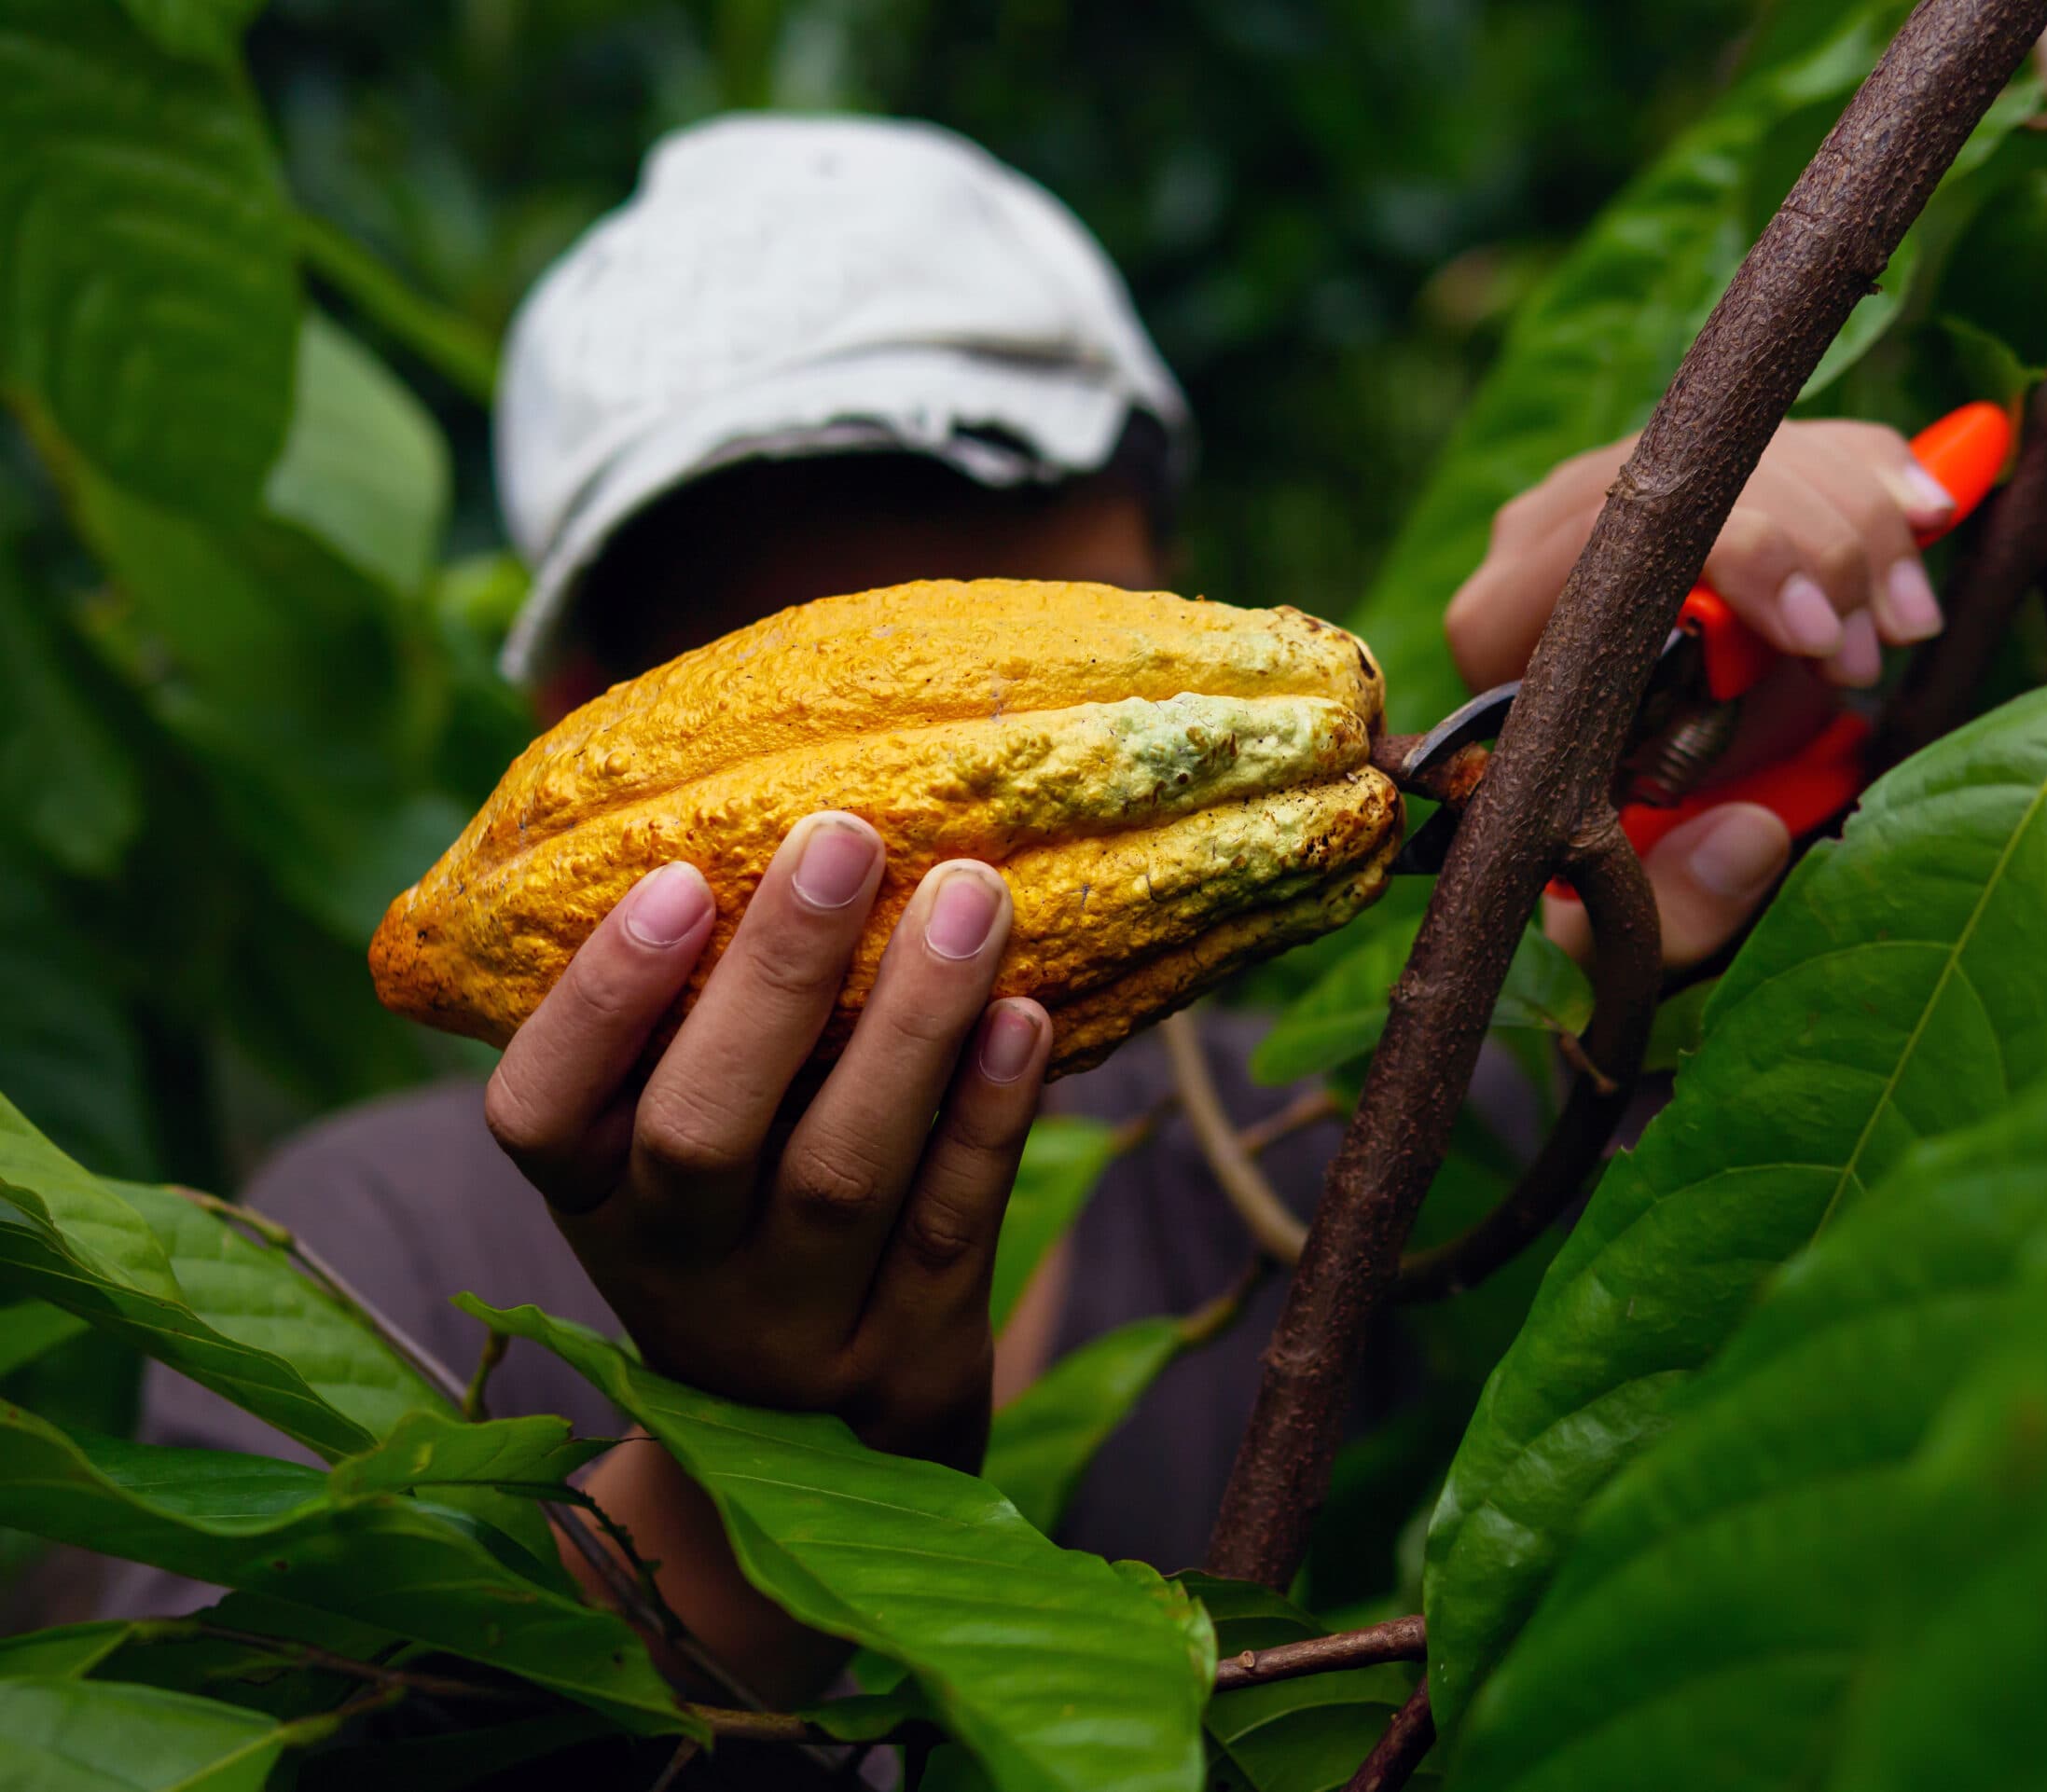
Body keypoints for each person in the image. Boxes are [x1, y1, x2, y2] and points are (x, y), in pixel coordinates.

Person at [91, 116, 1952, 1698]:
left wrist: (1759, 746)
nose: (916, 735)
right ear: (569, 720)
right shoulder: (364, 1250)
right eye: (765, 643)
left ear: (1158, 583)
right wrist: (755, 1510)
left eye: (990, 612)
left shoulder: (1391, 1153)